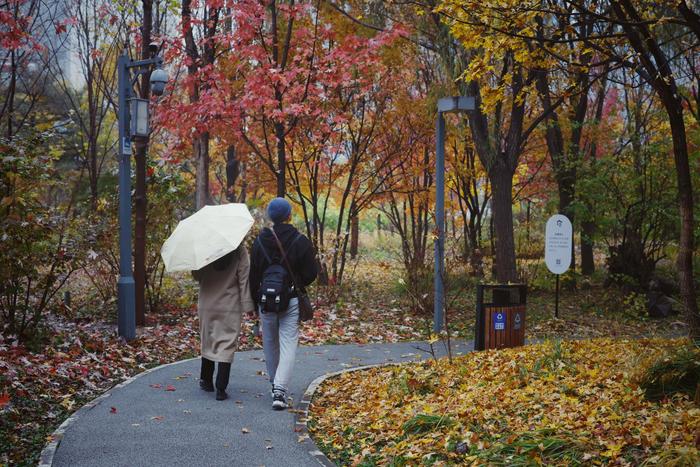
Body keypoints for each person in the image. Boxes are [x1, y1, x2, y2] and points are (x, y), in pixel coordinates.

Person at [249, 198, 317, 410]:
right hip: (291, 299)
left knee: (269, 342)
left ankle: (274, 384)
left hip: (265, 301)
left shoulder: (260, 241)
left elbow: (253, 275)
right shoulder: (301, 240)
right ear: (288, 215)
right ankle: (280, 389)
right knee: (288, 343)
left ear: (270, 216)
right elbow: (311, 273)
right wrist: (295, 282)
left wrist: (253, 301)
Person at [192, 246, 254, 401]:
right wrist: (248, 305)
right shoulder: (239, 250)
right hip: (229, 303)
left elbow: (197, 275)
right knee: (227, 342)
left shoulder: (206, 247)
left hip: (207, 302)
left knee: (208, 339)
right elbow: (244, 279)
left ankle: (206, 380)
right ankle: (221, 387)